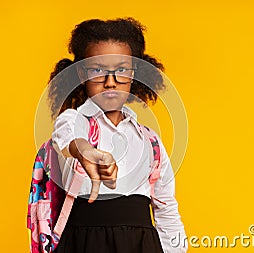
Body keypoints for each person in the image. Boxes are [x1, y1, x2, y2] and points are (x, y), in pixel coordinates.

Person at [47, 17, 187, 253]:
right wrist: (86, 151)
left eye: (121, 70)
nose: (110, 82)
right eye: (97, 70)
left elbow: (166, 209)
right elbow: (66, 136)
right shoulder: (74, 121)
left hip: (142, 246)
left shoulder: (150, 141)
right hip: (83, 245)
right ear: (81, 73)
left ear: (134, 73)